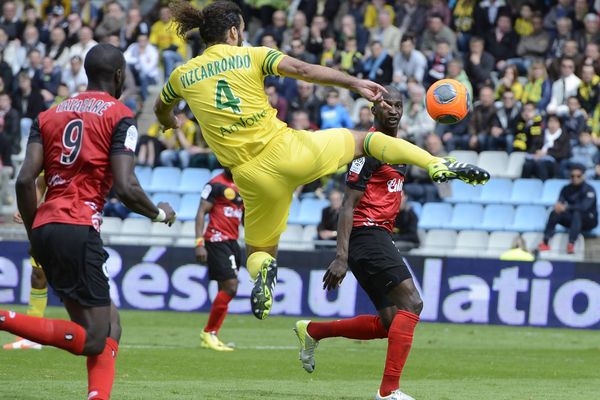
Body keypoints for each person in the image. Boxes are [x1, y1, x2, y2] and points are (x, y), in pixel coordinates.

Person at [154, 0, 489, 321]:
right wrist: (355, 82)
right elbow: (303, 69)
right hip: (289, 152)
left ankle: (264, 275)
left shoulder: (182, 76)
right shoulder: (251, 56)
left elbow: (160, 107)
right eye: (240, 30)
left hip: (250, 178)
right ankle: (435, 164)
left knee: (260, 250)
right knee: (366, 141)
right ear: (232, 33)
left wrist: (169, 120)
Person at [3, 44, 176, 400]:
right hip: (79, 226)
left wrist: (35, 234)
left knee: (111, 325)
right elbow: (126, 186)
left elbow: (23, 181)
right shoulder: (120, 116)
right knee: (94, 337)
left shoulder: (48, 115)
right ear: (118, 76)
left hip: (47, 224)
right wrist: (159, 213)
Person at [294, 87, 421, 400]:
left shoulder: (399, 149)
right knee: (413, 303)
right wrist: (341, 256)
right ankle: (388, 391)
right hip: (367, 233)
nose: (393, 109)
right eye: (386, 104)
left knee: (391, 323)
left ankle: (313, 331)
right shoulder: (369, 150)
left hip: (378, 235)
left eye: (398, 105)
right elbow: (347, 205)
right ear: (373, 111)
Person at [195, 168, 243, 352]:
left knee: (224, 288)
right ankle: (209, 331)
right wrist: (199, 243)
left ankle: (213, 335)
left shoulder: (243, 186)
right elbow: (201, 213)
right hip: (216, 240)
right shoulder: (214, 184)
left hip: (232, 242)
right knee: (231, 286)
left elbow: (245, 216)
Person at [3, 175, 47, 350]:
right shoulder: (53, 151)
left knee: (79, 278)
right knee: (38, 275)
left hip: (77, 220)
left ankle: (97, 329)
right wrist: (26, 208)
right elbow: (41, 185)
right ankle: (33, 334)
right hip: (50, 219)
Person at [539, 164, 598, 254]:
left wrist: (567, 207)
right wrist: (558, 207)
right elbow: (560, 203)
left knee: (577, 213)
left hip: (589, 220)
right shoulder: (566, 189)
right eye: (572, 176)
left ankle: (571, 243)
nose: (575, 178)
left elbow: (584, 207)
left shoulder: (589, 189)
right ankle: (545, 241)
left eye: (578, 176)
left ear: (583, 176)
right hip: (573, 221)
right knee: (555, 212)